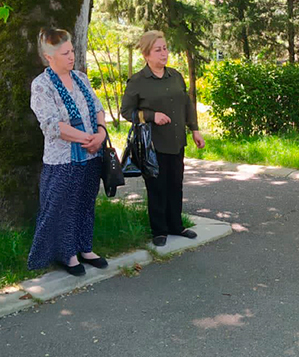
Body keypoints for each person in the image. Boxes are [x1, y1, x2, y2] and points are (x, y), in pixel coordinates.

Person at [28, 28, 109, 276]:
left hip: (91, 155)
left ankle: (85, 248)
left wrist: (101, 134)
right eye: (65, 53)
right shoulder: (42, 85)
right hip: (62, 160)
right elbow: (52, 125)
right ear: (49, 57)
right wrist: (87, 139)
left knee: (85, 203)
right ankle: (67, 255)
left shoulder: (81, 78)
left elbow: (98, 108)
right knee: (62, 207)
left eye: (72, 51)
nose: (71, 56)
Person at [121, 30, 205, 247]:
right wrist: (151, 116)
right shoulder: (138, 81)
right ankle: (159, 230)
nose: (163, 53)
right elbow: (126, 111)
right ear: (146, 54)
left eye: (165, 48)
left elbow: (187, 104)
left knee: (175, 185)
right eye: (158, 50)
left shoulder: (175, 76)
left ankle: (176, 225)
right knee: (157, 188)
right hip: (153, 145)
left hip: (176, 142)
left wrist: (194, 129)